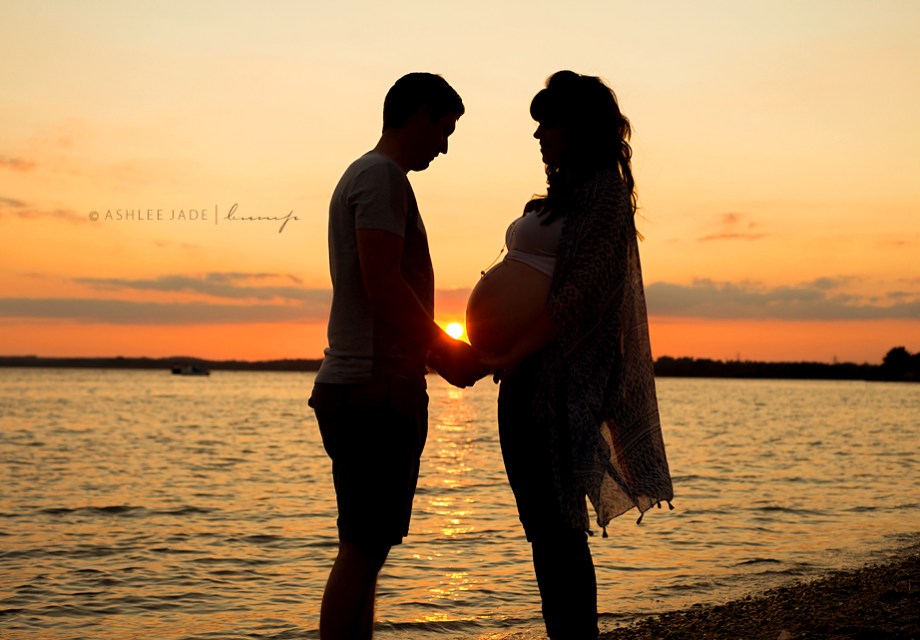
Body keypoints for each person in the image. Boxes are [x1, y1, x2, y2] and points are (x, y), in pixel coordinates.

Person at [470, 71, 674, 639]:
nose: (538, 136)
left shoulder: (605, 196)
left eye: (548, 124)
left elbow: (583, 296)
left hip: (557, 386)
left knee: (559, 529)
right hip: (522, 379)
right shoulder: (566, 196)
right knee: (542, 527)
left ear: (579, 128)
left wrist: (510, 350)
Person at [309, 72, 487, 640]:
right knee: (363, 550)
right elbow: (382, 285)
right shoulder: (381, 177)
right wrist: (445, 351)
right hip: (373, 389)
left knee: (366, 548)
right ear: (419, 115)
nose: (445, 147)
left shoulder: (371, 176)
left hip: (367, 385)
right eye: (444, 129)